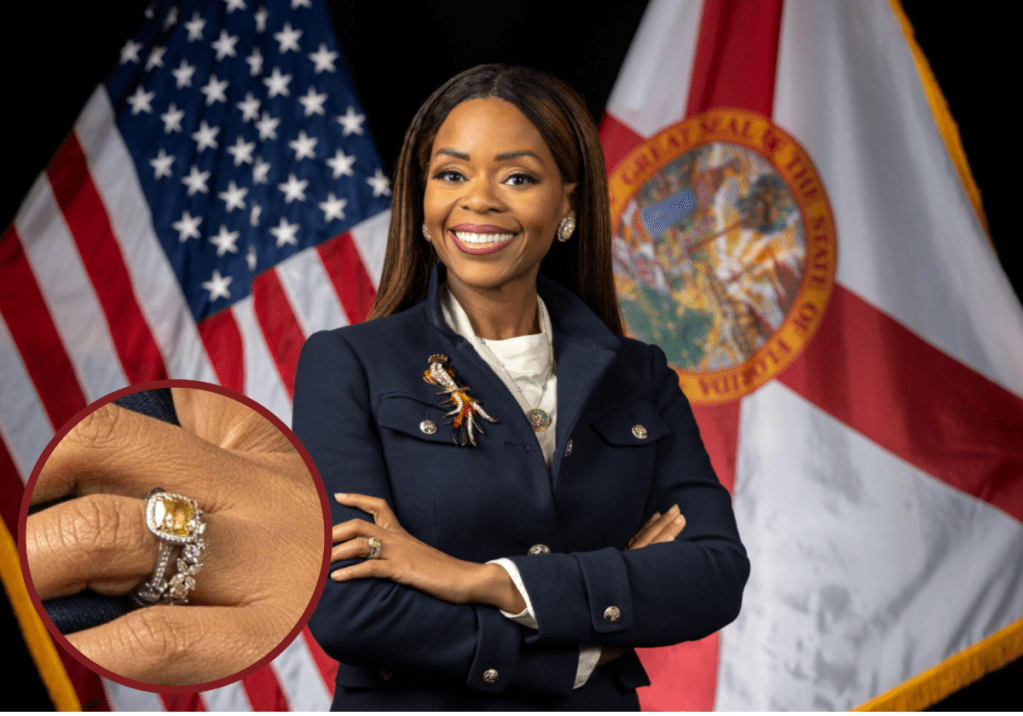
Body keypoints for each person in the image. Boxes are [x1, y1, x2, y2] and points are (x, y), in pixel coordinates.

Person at [292, 63, 749, 710]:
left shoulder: (638, 374)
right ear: (420, 203)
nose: (477, 199)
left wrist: (483, 581)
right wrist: (582, 648)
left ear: (567, 202)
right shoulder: (347, 365)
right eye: (451, 174)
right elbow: (349, 608)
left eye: (517, 177)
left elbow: (712, 575)